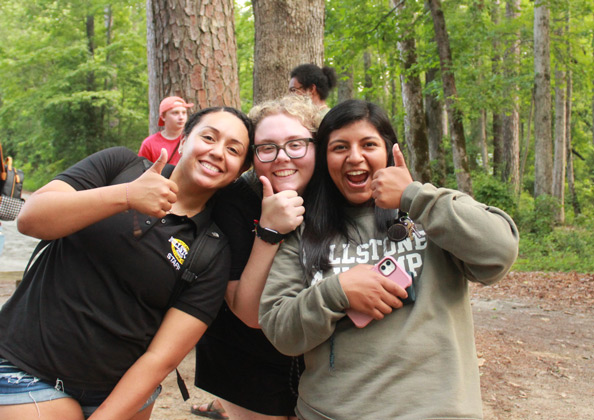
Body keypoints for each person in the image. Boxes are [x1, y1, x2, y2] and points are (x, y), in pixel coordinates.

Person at [259, 99, 520, 420]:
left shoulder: (433, 211)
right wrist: (337, 291)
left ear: (388, 151)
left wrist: (415, 195)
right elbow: (279, 330)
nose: (355, 157)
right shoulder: (306, 232)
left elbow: (500, 253)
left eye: (368, 144)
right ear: (325, 160)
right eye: (339, 147)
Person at [0, 106, 253, 420]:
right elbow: (31, 219)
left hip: (120, 390)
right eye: (209, 137)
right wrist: (128, 195)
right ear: (184, 140)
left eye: (233, 150)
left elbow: (161, 357)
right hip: (27, 369)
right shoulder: (119, 166)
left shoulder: (213, 249)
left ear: (240, 169)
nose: (218, 152)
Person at [193, 95, 322, 420]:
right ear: (253, 157)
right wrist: (268, 231)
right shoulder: (234, 201)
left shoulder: (329, 196)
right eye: (267, 148)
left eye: (296, 144)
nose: (282, 158)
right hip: (242, 358)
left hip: (315, 358)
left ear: (316, 147)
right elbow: (249, 314)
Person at [138, 96, 194, 165]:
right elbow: (141, 171)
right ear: (163, 117)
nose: (181, 117)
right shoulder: (149, 144)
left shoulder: (192, 138)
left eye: (184, 112)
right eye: (175, 113)